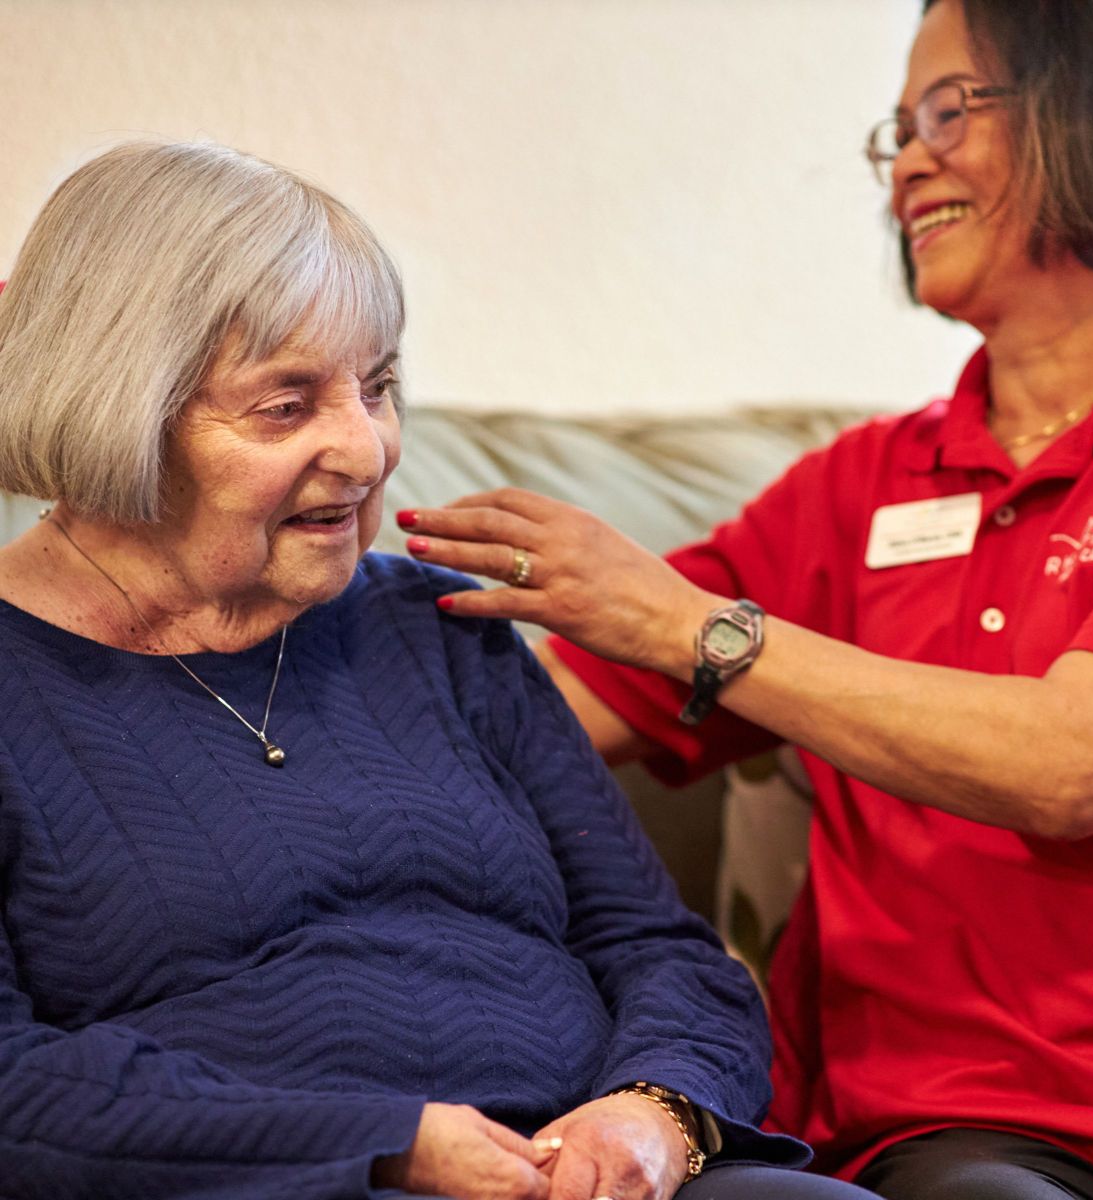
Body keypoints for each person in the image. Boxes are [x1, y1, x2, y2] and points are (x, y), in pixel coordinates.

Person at [395, 1, 1093, 1198]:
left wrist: (692, 627)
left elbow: (1082, 763)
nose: (911, 160)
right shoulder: (852, 489)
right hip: (955, 1127)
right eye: (899, 131)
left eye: (952, 112)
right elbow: (547, 723)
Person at [0, 141, 881, 1200]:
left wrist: (658, 1110)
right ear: (112, 408)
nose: (368, 449)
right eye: (286, 406)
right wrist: (382, 1142)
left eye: (376, 387)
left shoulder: (441, 627)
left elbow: (661, 951)